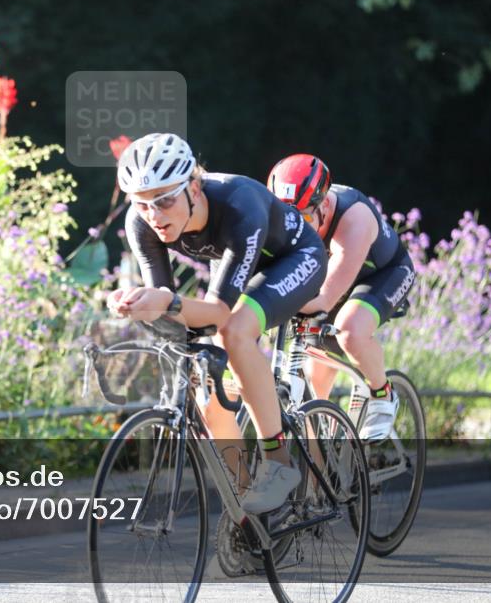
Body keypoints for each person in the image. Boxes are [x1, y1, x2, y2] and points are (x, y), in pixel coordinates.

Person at [108, 133, 328, 514]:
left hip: (294, 258)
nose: (154, 216)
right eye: (142, 204)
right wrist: (136, 304)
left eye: (164, 200)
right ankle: (245, 511)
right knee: (205, 390)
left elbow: (218, 312)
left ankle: (278, 462)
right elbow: (168, 303)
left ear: (193, 188)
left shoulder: (239, 203)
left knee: (234, 331)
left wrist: (167, 302)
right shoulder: (140, 223)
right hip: (235, 260)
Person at [267, 154, 416, 440]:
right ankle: (325, 455)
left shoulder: (354, 218)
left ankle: (382, 394)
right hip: (334, 281)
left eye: (304, 218)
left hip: (383, 274)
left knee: (350, 331)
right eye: (286, 219)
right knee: (313, 385)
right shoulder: (291, 218)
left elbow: (324, 299)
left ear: (324, 204)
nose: (294, 228)